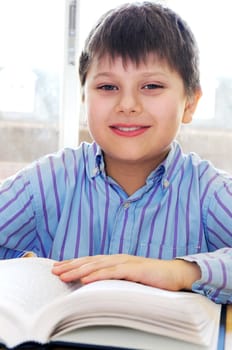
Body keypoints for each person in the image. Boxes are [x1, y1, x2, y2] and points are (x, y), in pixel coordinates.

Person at [0, 1, 231, 305]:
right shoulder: (48, 181)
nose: (128, 104)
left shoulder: (208, 192)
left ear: (190, 103)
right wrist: (26, 264)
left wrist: (180, 272)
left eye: (151, 85)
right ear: (84, 98)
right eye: (108, 87)